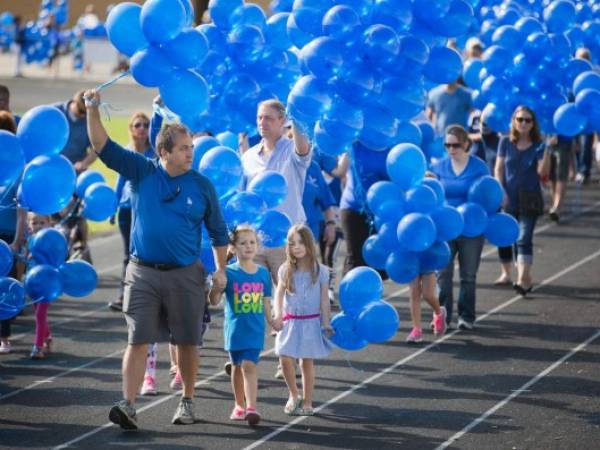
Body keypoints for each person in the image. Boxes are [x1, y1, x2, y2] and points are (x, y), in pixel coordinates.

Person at [83, 89, 229, 429]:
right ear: (163, 151)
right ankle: (129, 404)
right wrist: (92, 109)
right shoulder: (141, 170)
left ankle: (188, 400)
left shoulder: (203, 186)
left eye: (191, 147)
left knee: (188, 340)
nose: (191, 153)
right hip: (142, 273)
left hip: (186, 274)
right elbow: (103, 146)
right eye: (184, 148)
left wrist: (221, 271)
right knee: (137, 339)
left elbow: (219, 233)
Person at [209, 225, 274, 425]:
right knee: (236, 367)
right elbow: (213, 300)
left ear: (258, 246)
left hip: (255, 330)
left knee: (249, 364)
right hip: (235, 331)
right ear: (233, 248)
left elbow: (265, 302)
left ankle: (252, 406)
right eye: (243, 243)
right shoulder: (228, 272)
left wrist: (272, 321)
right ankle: (238, 405)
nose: (248, 246)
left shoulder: (263, 274)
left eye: (252, 242)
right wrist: (216, 287)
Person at [241, 99, 311, 283]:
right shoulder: (248, 157)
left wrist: (297, 111)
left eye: (269, 118)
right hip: (255, 241)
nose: (262, 123)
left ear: (283, 120)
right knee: (255, 302)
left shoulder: (293, 150)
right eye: (259, 118)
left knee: (291, 299)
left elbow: (302, 147)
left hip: (288, 239)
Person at [431, 125, 490, 330]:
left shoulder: (479, 167)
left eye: (455, 145)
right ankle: (442, 316)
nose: (451, 149)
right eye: (447, 145)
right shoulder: (439, 167)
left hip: (471, 229)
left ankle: (466, 317)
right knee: (443, 274)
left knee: (468, 275)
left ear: (466, 144)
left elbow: (486, 196)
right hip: (446, 229)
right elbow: (434, 197)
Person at [272, 224, 333, 416]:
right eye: (292, 243)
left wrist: (326, 322)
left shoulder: (320, 271)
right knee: (284, 357)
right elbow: (278, 295)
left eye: (300, 242)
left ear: (309, 244)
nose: (296, 247)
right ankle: (293, 394)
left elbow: (324, 299)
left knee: (306, 363)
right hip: (290, 322)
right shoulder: (285, 269)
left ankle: (307, 401)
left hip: (310, 323)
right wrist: (278, 315)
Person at [495, 106, 550, 297]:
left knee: (524, 238)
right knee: (509, 237)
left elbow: (542, 173)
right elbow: (499, 169)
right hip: (509, 197)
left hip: (530, 198)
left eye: (528, 120)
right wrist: (500, 191)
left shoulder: (538, 145)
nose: (523, 123)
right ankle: (525, 278)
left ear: (533, 123)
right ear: (513, 121)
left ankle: (521, 280)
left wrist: (547, 150)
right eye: (520, 120)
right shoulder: (505, 142)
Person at [108, 112, 155, 312]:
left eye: (146, 125)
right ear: (131, 129)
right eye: (138, 125)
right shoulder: (126, 153)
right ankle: (124, 295)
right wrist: (113, 208)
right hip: (127, 210)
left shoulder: (154, 154)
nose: (142, 128)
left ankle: (148, 296)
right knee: (129, 254)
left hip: (147, 211)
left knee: (147, 254)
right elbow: (120, 183)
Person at [339, 143, 389, 275]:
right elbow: (339, 171)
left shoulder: (392, 146)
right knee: (355, 259)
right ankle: (350, 292)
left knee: (376, 262)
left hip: (380, 211)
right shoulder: (354, 143)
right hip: (353, 207)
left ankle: (371, 293)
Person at [0, 111, 26, 354]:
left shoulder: (19, 170)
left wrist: (17, 241)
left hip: (6, 237)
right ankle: (4, 337)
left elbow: (22, 209)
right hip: (10, 237)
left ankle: (5, 336)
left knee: (4, 286)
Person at [27, 213, 54, 359]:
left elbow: (53, 260)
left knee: (40, 314)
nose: (38, 226)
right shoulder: (30, 240)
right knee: (38, 312)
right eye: (34, 223)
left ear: (49, 224)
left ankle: (38, 347)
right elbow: (26, 260)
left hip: (48, 283)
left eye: (42, 222)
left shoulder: (50, 241)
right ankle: (48, 336)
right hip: (34, 282)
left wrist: (38, 255)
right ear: (29, 225)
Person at [406, 274, 447, 343]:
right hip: (412, 263)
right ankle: (416, 329)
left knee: (427, 295)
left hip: (428, 264)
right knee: (414, 292)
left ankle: (439, 313)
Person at [546, 135, 576, 222]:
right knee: (551, 177)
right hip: (549, 140)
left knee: (561, 175)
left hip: (564, 140)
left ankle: (557, 207)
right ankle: (555, 204)